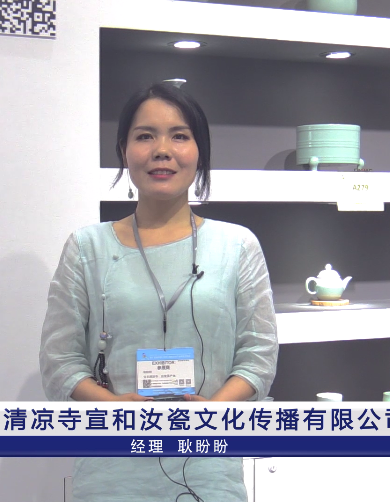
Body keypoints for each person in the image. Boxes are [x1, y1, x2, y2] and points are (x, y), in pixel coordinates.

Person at [39, 82, 278, 501]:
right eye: (145, 136)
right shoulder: (86, 248)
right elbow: (59, 361)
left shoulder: (238, 246)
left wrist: (213, 413)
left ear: (199, 152)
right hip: (112, 466)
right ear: (123, 150)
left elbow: (259, 355)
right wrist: (113, 408)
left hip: (208, 462)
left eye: (179, 136)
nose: (162, 150)